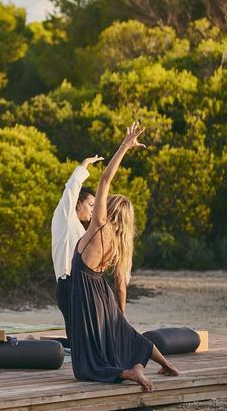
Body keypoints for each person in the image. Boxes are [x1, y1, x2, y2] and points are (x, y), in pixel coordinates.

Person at [69, 122, 179, 391]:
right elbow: (120, 284)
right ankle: (164, 364)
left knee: (88, 363)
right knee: (127, 335)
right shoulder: (121, 243)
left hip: (85, 290)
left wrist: (124, 147)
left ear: (111, 208)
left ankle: (130, 373)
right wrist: (118, 315)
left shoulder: (100, 225)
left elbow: (105, 179)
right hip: (103, 292)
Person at [52, 154, 102, 333]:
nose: (93, 209)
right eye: (90, 204)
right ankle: (33, 344)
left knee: (84, 337)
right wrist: (85, 165)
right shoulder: (65, 218)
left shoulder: (81, 230)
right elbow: (71, 188)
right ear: (77, 204)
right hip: (68, 284)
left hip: (80, 286)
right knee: (78, 338)